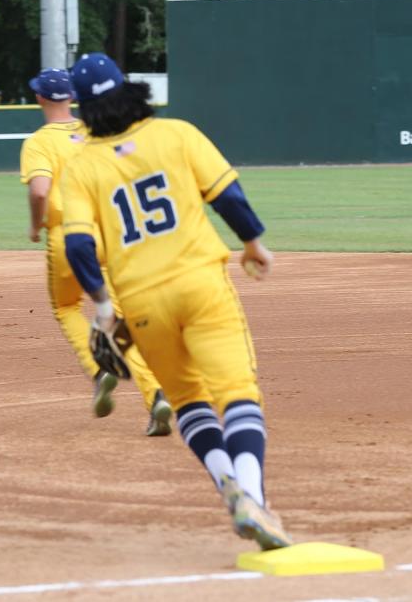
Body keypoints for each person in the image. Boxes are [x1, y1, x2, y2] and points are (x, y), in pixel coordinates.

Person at [61, 53, 293, 550]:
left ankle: (226, 485)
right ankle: (252, 495)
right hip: (201, 285)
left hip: (141, 303)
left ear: (82, 110)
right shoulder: (176, 134)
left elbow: (78, 247)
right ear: (129, 90)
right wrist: (253, 243)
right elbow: (227, 194)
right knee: (237, 391)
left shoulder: (81, 167)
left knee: (188, 401)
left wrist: (102, 306)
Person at [20, 67, 173, 437]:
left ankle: (100, 369)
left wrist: (35, 224)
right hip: (111, 233)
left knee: (66, 306)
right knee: (123, 322)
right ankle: (155, 398)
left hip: (68, 236)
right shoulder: (95, 131)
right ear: (71, 98)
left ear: (41, 98)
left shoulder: (39, 141)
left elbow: (40, 191)